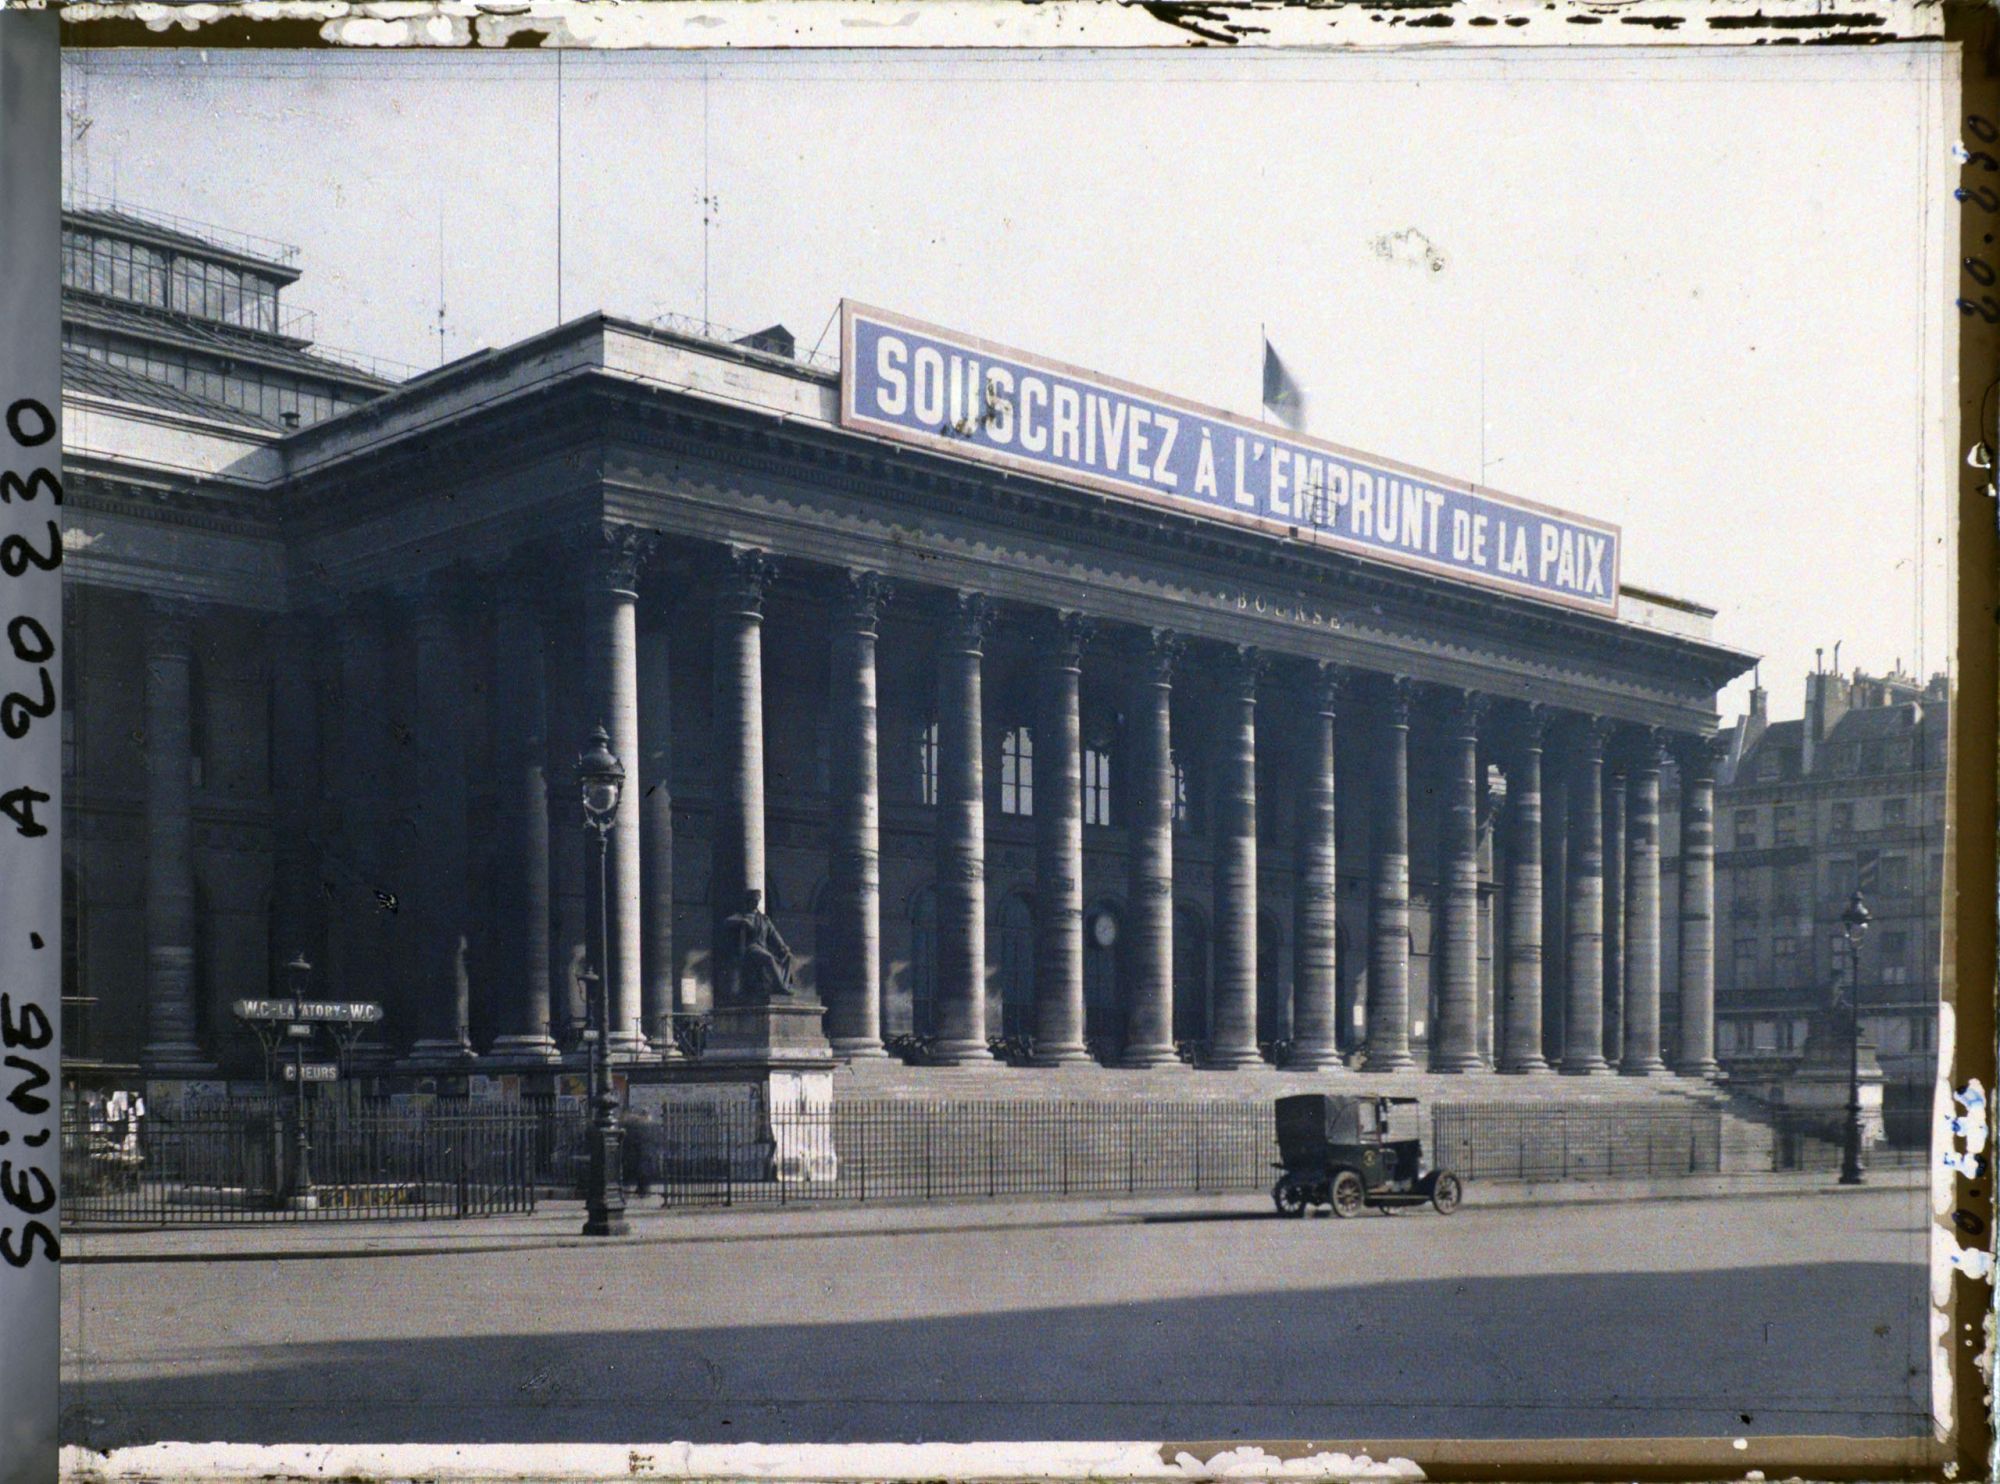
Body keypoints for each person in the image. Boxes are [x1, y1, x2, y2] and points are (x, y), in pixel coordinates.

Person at [720, 889, 795, 1002]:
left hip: (762, 948)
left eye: (757, 901)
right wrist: (742, 921)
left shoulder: (764, 919)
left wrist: (783, 946)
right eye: (753, 901)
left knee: (788, 956)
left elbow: (774, 934)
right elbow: (727, 921)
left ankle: (783, 985)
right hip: (751, 948)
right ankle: (780, 987)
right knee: (768, 958)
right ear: (749, 901)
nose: (755, 903)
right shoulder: (743, 915)